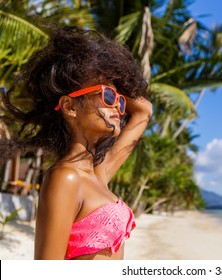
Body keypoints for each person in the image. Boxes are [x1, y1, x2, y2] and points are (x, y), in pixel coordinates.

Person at [0, 26, 153, 259]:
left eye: (121, 102)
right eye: (108, 96)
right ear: (70, 107)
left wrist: (112, 78)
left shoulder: (98, 174)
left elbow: (143, 111)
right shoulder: (66, 177)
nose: (118, 108)